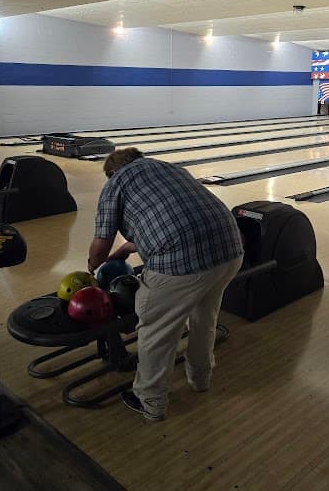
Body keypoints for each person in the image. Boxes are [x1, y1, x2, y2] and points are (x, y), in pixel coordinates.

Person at [88, 147, 243, 421]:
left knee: (156, 331)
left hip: (181, 265)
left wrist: (92, 265)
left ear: (112, 172)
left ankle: (150, 401)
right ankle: (200, 379)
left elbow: (100, 246)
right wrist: (126, 248)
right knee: (204, 318)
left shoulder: (115, 183)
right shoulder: (169, 168)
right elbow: (177, 217)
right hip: (229, 250)